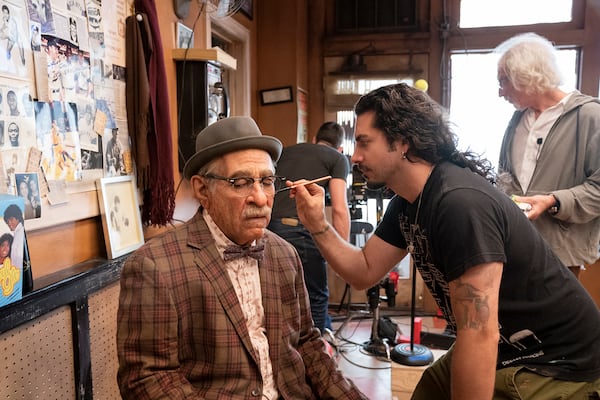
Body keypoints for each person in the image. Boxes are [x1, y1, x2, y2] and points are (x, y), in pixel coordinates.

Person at [291, 83, 600, 399]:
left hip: (557, 362)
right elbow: (364, 270)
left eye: (364, 143)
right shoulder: (408, 200)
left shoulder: (459, 203)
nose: (355, 156)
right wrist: (317, 224)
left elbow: (478, 334)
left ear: (403, 142)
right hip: (504, 345)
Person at [116, 116, 367, 399]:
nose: (260, 198)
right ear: (202, 189)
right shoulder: (154, 266)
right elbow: (147, 380)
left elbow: (308, 343)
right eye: (240, 182)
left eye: (267, 181)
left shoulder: (285, 254)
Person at [495, 32, 600, 279]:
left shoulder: (590, 117)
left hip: (561, 254)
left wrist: (553, 200)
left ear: (526, 76)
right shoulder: (517, 120)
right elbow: (507, 178)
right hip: (513, 247)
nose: (501, 92)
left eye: (503, 81)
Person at [268, 121, 350, 333]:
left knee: (278, 296)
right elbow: (340, 208)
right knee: (316, 295)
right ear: (339, 147)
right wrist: (343, 255)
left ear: (314, 139)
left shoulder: (286, 152)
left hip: (268, 229)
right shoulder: (338, 158)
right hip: (299, 230)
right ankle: (316, 357)